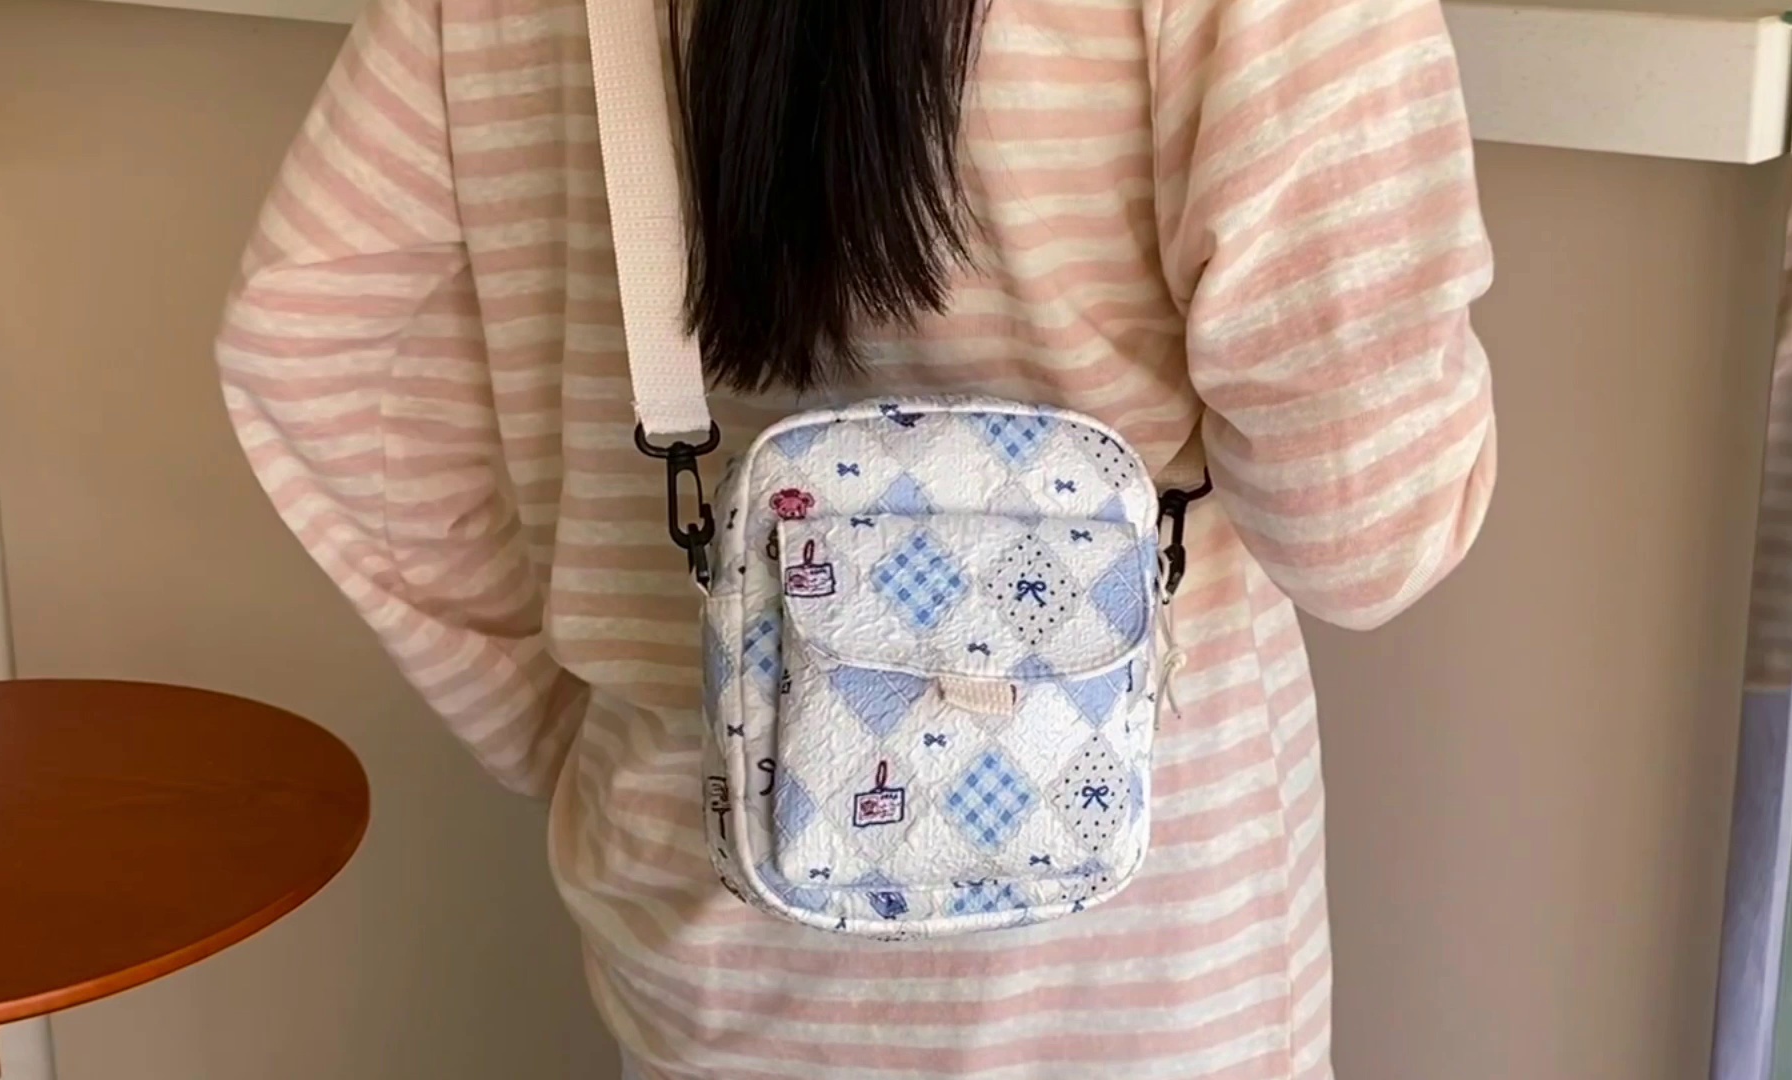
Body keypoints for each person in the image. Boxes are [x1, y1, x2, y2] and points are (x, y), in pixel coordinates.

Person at [216, 0, 1496, 1073]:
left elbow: (303, 337)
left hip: (713, 946)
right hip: (1145, 972)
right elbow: (1369, 536)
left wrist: (573, 719)